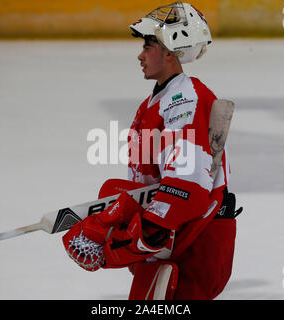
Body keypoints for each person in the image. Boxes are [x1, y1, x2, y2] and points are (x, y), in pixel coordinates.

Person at [62, 1, 242, 300]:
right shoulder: (155, 103)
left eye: (148, 46)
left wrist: (126, 241)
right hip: (171, 242)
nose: (140, 55)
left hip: (192, 243)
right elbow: (151, 186)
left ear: (170, 50)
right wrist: (121, 222)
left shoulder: (185, 99)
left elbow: (188, 189)